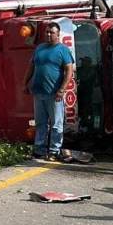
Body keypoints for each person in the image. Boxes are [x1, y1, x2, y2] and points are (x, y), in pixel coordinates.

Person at [22, 22, 75, 160]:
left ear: (58, 35)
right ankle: (39, 149)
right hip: (38, 92)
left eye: (52, 32)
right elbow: (31, 66)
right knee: (40, 123)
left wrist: (62, 90)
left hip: (54, 93)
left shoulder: (63, 50)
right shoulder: (39, 48)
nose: (48, 35)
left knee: (56, 124)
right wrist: (25, 83)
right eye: (47, 32)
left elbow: (69, 70)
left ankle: (54, 150)